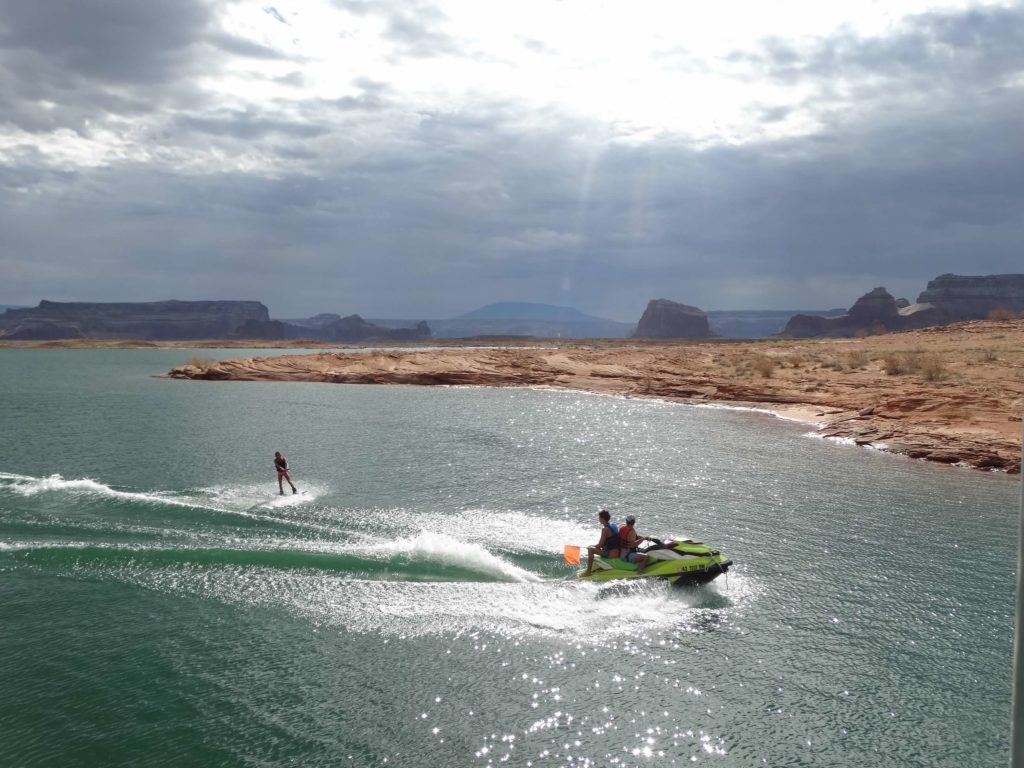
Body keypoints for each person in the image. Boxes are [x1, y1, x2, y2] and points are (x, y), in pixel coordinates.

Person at [582, 509, 620, 577]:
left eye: (599, 518)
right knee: (594, 548)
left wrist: (591, 546)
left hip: (611, 554)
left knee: (590, 550)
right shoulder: (613, 525)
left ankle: (588, 572)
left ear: (602, 519)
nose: (599, 519)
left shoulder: (604, 530)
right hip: (618, 551)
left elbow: (600, 545)